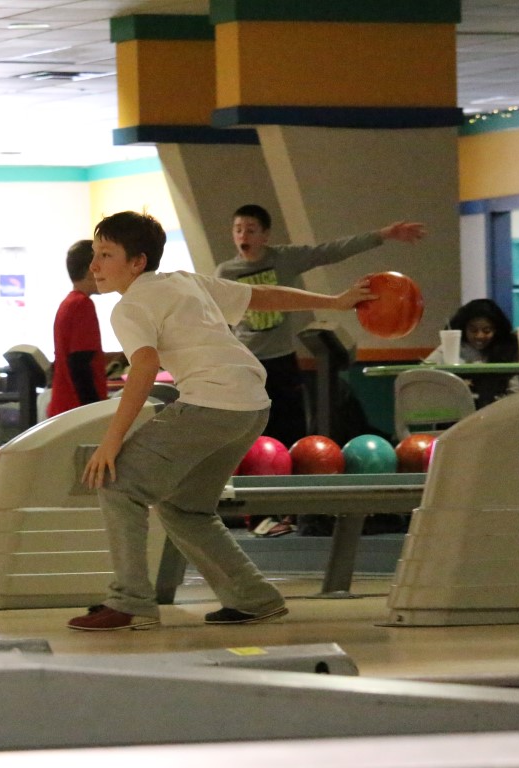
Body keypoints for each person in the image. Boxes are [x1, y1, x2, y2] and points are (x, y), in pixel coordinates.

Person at [66, 211, 376, 631]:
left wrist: (111, 441)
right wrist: (333, 302)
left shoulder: (130, 306)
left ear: (137, 262)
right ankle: (253, 598)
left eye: (106, 255)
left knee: (119, 484)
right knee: (185, 507)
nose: (94, 266)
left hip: (211, 404)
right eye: (95, 254)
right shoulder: (183, 281)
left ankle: (130, 602)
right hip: (252, 406)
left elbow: (144, 367)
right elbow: (259, 297)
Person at [216, 204, 426, 537]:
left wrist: (383, 235)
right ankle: (257, 517)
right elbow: (217, 321)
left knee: (291, 438)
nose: (244, 236)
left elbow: (329, 251)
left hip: (283, 363)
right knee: (253, 441)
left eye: (251, 229)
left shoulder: (284, 259)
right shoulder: (225, 272)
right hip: (247, 366)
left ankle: (293, 511)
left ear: (265, 235)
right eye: (238, 229)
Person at [424, 298, 519, 408]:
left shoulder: (508, 350)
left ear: (497, 330)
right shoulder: (451, 348)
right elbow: (423, 372)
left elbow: (516, 392)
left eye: (487, 331)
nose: (480, 336)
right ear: (464, 329)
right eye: (473, 330)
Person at [48, 239, 107, 416]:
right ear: (91, 270)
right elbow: (80, 364)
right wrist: (94, 412)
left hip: (64, 405)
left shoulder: (68, 303)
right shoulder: (83, 304)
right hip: (77, 408)